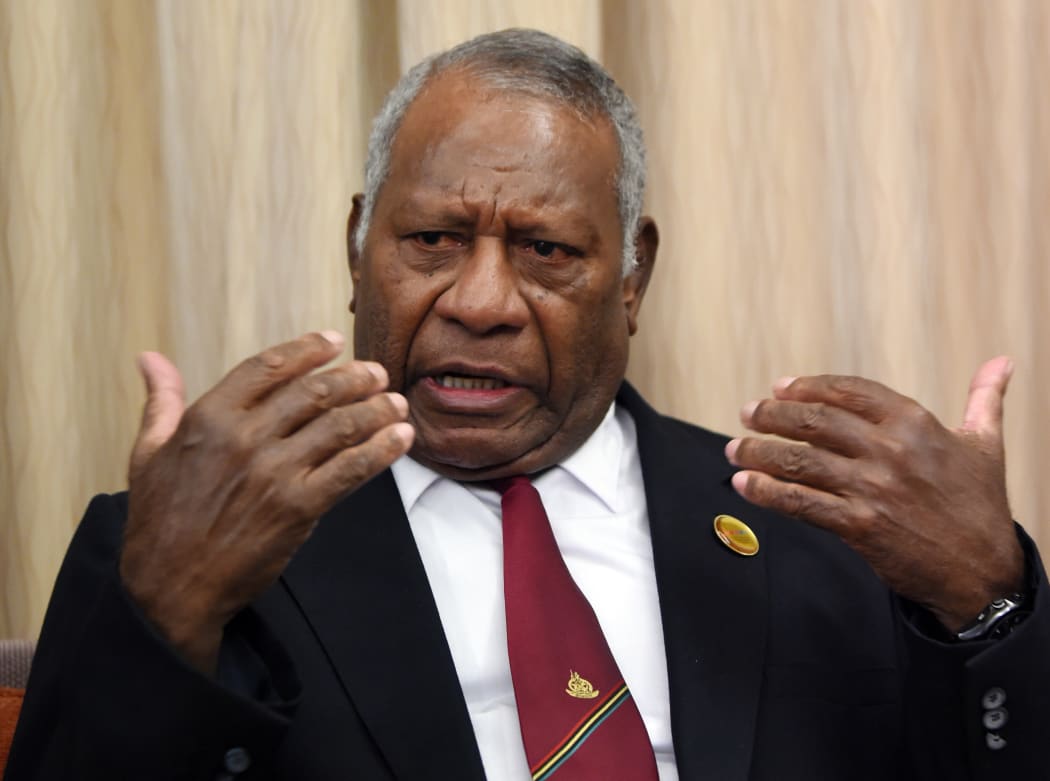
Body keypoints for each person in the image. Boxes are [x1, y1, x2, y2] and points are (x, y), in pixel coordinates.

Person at [6, 28, 1048, 781]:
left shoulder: (817, 534)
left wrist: (988, 604)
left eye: (545, 250)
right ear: (358, 250)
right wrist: (164, 614)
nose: (481, 301)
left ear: (632, 278)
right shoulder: (190, 541)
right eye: (433, 240)